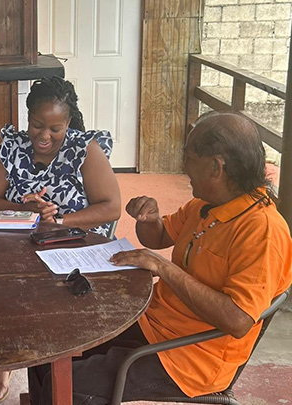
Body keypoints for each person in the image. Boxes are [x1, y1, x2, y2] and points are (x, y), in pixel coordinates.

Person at [27, 111, 292, 404]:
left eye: (188, 156)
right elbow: (158, 236)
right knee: (45, 348)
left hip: (191, 358)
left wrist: (163, 267)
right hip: (153, 322)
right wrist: (149, 218)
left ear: (216, 168)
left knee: (65, 384)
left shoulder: (263, 231)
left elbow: (239, 320)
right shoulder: (207, 205)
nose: (183, 165)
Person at [0, 76, 121, 402]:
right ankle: (9, 356)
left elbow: (111, 207)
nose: (44, 136)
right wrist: (23, 209)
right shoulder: (12, 147)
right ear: (28, 118)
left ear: (68, 123)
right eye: (37, 125)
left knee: (51, 297)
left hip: (73, 244)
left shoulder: (84, 149)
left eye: (55, 128)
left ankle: (50, 359)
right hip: (20, 239)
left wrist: (58, 219)